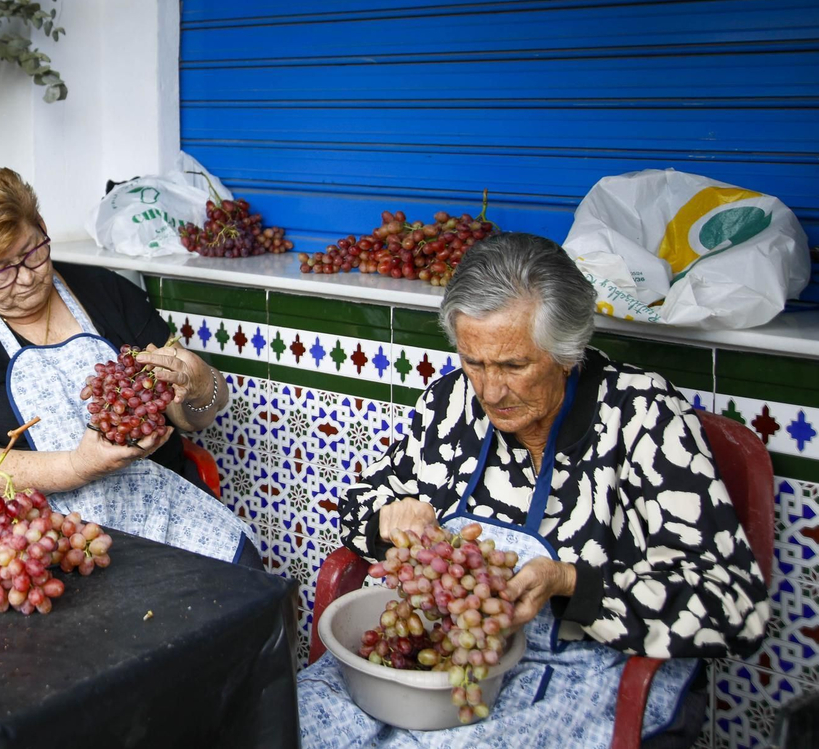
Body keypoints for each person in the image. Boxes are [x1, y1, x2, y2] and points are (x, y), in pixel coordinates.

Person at [297, 233, 770, 748]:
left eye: (514, 366)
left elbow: (734, 606)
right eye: (473, 362)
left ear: (567, 352)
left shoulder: (641, 418)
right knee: (288, 718)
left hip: (579, 679)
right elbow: (360, 506)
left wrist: (571, 581)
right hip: (439, 663)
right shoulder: (451, 402)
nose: (490, 392)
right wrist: (389, 515)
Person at [0, 166, 258, 566]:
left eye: (32, 253)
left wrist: (202, 384)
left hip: (166, 515)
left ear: (42, 226)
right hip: (50, 540)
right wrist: (77, 467)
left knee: (246, 586)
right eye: (0, 271)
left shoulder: (104, 291)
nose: (25, 279)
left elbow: (190, 415)